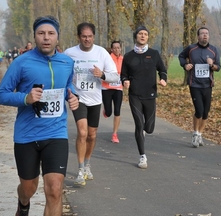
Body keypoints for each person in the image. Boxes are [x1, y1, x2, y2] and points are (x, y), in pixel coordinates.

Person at [0, 15, 79, 216]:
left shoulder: (67, 62)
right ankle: (23, 203)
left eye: (50, 33)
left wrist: (72, 98)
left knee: (54, 188)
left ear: (57, 37)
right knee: (29, 187)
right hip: (27, 136)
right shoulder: (22, 63)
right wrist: (25, 98)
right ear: (35, 37)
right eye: (41, 33)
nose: (46, 37)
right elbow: (1, 95)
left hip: (55, 134)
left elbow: (68, 89)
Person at [64, 22, 119, 185]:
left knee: (92, 134)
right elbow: (63, 73)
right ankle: (80, 170)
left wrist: (102, 75)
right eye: (83, 36)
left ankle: (87, 164)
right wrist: (67, 91)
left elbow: (115, 76)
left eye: (89, 36)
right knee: (82, 133)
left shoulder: (101, 53)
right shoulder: (70, 53)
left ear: (94, 36)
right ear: (78, 37)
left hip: (95, 99)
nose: (87, 39)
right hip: (77, 97)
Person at [120, 26, 167, 169]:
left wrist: (163, 79)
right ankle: (142, 156)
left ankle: (145, 132)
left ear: (148, 38)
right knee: (139, 125)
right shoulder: (128, 56)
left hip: (150, 94)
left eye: (145, 34)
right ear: (136, 36)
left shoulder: (154, 54)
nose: (143, 36)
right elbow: (123, 74)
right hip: (135, 95)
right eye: (140, 34)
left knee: (149, 128)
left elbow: (162, 70)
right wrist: (125, 81)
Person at [178, 26, 221, 148]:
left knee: (206, 112)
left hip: (208, 85)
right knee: (199, 110)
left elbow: (218, 67)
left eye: (206, 33)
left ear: (209, 36)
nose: (205, 35)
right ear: (198, 36)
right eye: (202, 33)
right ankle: (195, 134)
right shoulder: (191, 49)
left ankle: (200, 134)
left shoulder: (213, 50)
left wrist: (212, 65)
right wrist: (185, 65)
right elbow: (181, 57)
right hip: (194, 84)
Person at [102, 40, 124, 143]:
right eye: (114, 48)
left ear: (120, 48)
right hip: (107, 87)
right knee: (109, 112)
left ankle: (115, 134)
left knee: (117, 111)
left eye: (118, 47)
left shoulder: (123, 59)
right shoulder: (107, 58)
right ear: (111, 49)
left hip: (118, 88)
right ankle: (106, 111)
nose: (116, 49)